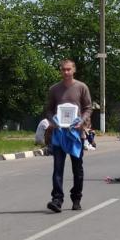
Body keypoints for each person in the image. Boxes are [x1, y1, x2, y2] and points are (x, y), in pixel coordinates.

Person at [44, 59, 92, 212]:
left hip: (76, 134)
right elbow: (48, 110)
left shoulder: (81, 87)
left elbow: (88, 108)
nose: (66, 72)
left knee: (77, 169)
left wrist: (81, 121)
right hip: (59, 134)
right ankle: (57, 200)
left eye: (68, 69)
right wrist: (53, 121)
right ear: (60, 70)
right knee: (58, 168)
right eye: (63, 69)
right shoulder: (54, 89)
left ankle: (76, 198)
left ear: (74, 70)